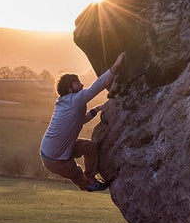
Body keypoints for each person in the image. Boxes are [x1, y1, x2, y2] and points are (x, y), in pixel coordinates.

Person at [40, 52, 126, 192]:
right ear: (69, 88)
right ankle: (89, 183)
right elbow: (97, 86)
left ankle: (90, 177)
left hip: (53, 150)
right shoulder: (74, 100)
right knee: (77, 173)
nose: (81, 84)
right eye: (77, 83)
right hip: (54, 158)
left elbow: (80, 120)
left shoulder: (66, 102)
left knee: (90, 147)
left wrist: (96, 109)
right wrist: (116, 65)